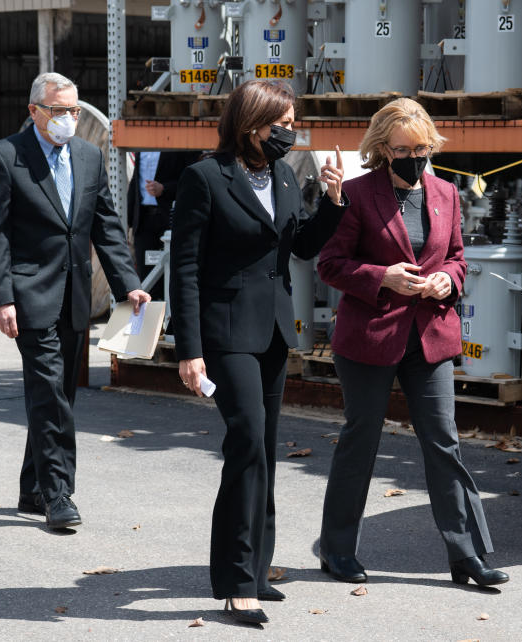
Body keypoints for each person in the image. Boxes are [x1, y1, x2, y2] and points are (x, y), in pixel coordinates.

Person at [170, 79, 346, 625]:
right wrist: (189, 350)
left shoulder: (286, 177)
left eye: (293, 122)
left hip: (271, 331)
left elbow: (303, 247)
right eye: (282, 124)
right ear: (251, 126)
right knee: (245, 438)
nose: (290, 132)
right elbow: (185, 269)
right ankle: (237, 579)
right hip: (223, 334)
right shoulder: (205, 178)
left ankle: (256, 569)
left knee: (263, 448)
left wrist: (334, 202)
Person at [316, 98, 508, 588]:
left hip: (429, 337)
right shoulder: (357, 194)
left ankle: (467, 556)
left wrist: (447, 280)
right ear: (383, 149)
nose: (415, 156)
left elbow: (459, 258)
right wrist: (383, 277)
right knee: (361, 442)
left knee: (444, 443)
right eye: (404, 149)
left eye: (423, 147)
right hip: (369, 338)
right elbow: (330, 265)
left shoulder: (446, 191)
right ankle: (337, 551)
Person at [0, 72, 149, 530]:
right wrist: (1, 297)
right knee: (49, 391)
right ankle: (59, 495)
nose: (69, 118)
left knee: (58, 393)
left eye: (74, 110)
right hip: (29, 295)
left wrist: (127, 283)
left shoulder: (90, 157)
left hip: (74, 298)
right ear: (34, 111)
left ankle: (33, 487)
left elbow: (106, 228)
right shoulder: (4, 156)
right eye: (59, 111)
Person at [127, 150, 197, 299]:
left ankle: (170, 319)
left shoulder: (179, 141)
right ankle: (149, 319)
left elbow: (193, 179)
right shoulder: (141, 144)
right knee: (145, 280)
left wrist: (164, 189)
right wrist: (127, 221)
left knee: (173, 278)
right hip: (144, 221)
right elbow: (136, 180)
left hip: (170, 220)